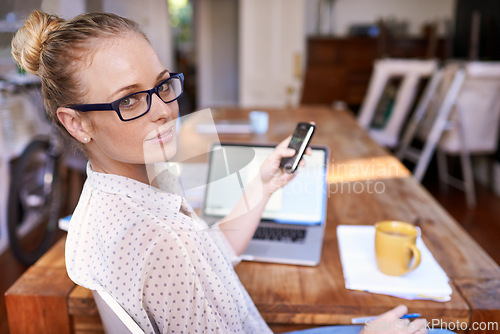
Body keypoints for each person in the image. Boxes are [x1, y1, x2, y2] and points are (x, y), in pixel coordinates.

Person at [12, 10, 446, 334]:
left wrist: (263, 184)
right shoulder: (161, 237)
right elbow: (180, 253)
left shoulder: (108, 195)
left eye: (163, 85)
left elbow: (206, 259)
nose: (165, 110)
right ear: (77, 122)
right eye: (129, 100)